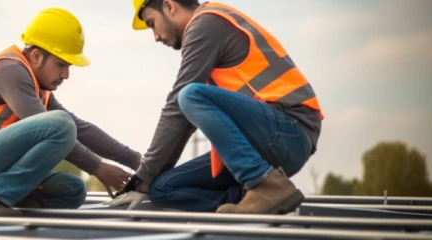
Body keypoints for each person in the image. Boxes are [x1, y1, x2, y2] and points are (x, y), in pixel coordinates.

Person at [106, 0, 324, 215]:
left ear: (169, 6)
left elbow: (177, 107)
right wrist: (148, 181)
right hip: (264, 144)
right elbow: (183, 122)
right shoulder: (206, 29)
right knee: (163, 188)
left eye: (152, 23)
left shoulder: (206, 23)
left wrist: (142, 175)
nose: (154, 37)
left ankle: (263, 184)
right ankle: (257, 198)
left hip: (290, 131)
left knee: (189, 95)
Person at [0, 8, 141, 217]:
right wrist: (97, 167)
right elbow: (59, 128)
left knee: (72, 189)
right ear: (35, 56)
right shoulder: (10, 71)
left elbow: (82, 129)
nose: (66, 75)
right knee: (61, 125)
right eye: (61, 64)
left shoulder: (39, 89)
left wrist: (141, 162)